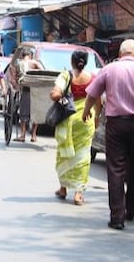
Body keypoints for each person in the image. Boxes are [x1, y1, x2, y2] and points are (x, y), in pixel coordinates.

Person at [82, 39, 134, 230]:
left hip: (116, 125)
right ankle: (131, 209)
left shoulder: (109, 69)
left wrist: (87, 111)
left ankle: (117, 217)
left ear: (121, 53)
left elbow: (92, 93)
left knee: (116, 169)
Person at [50, 49, 101, 207]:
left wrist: (65, 101)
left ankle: (63, 188)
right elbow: (98, 100)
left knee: (65, 152)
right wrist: (97, 116)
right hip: (87, 119)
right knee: (83, 155)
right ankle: (78, 193)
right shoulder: (93, 78)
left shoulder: (66, 75)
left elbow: (55, 94)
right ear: (85, 62)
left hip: (68, 119)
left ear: (72, 61)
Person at [14, 47, 43, 142]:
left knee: (23, 113)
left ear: (23, 55)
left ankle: (22, 134)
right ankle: (34, 135)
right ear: (30, 56)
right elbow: (44, 72)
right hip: (36, 90)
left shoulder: (19, 63)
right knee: (36, 113)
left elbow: (15, 77)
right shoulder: (35, 63)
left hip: (25, 89)